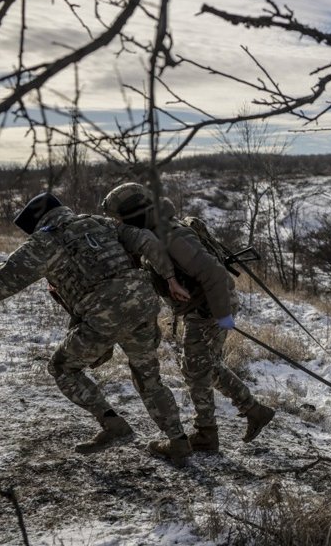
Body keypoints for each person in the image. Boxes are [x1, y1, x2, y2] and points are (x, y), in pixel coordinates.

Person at [0, 193, 194, 465]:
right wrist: (169, 278)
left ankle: (112, 424)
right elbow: (146, 240)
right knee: (149, 377)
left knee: (62, 368)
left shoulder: (42, 243)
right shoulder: (100, 222)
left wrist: (11, 261)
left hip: (103, 315)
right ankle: (177, 441)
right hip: (142, 304)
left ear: (35, 224)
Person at [101, 183, 275, 453]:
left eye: (120, 217)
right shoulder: (156, 232)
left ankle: (208, 434)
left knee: (197, 369)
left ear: (132, 212)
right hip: (202, 307)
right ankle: (253, 411)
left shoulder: (172, 235)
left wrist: (222, 317)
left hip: (208, 308)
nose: (119, 223)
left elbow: (215, 275)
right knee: (203, 367)